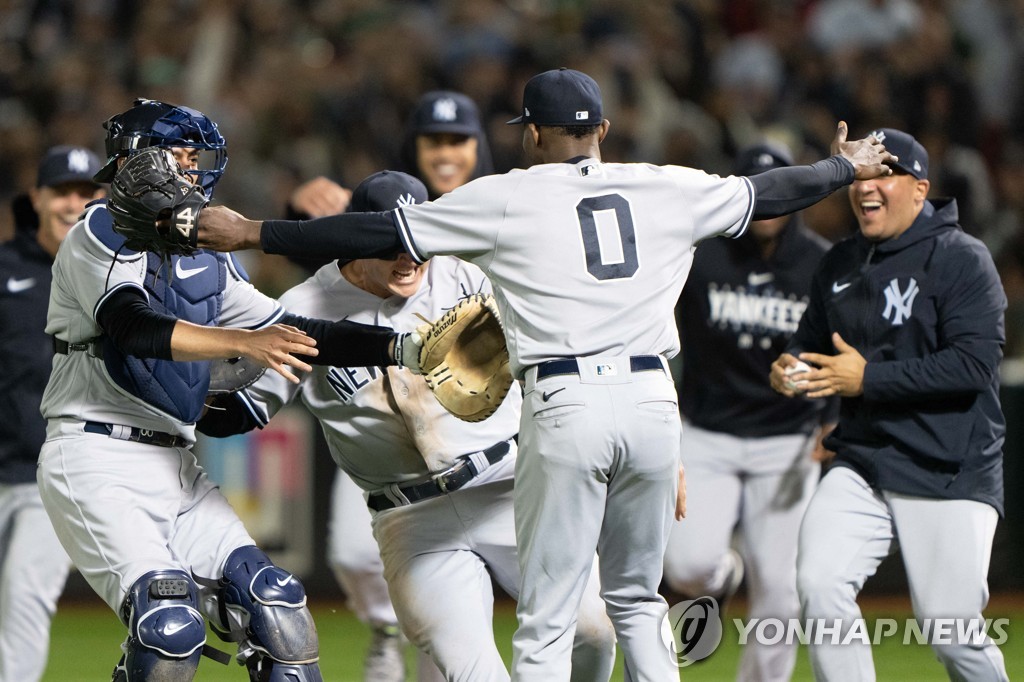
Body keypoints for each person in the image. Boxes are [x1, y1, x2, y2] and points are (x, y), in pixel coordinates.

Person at [195, 68, 894, 679]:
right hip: (631, 406)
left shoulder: (505, 201)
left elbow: (374, 234)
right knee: (634, 603)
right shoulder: (664, 186)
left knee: (560, 627)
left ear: (532, 134)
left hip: (554, 420)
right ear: (605, 130)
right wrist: (843, 168)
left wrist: (254, 232)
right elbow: (770, 191)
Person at [35, 99, 415, 682]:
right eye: (179, 155)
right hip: (95, 456)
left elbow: (297, 333)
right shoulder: (98, 230)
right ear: (139, 160)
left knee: (279, 608)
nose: (193, 168)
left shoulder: (206, 256)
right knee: (168, 630)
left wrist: (400, 349)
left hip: (176, 462)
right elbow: (132, 327)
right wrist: (241, 339)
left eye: (196, 156)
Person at [200, 169, 616, 682]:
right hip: (414, 522)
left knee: (595, 631)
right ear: (356, 238)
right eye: (390, 242)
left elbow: (561, 349)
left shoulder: (467, 276)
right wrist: (196, 380)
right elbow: (244, 410)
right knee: (473, 674)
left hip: (510, 490)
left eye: (417, 239)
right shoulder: (304, 309)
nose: (409, 256)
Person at [770, 128, 1009, 681]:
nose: (866, 187)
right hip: (864, 459)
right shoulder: (839, 263)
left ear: (920, 189)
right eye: (860, 175)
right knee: (820, 586)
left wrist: (869, 379)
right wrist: (789, 366)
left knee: (952, 635)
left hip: (948, 464)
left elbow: (974, 366)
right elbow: (808, 339)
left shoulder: (962, 259)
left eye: (884, 174)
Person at [285, 90, 495, 681]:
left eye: (458, 139)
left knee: (579, 626)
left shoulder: (492, 217)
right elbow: (321, 266)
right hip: (391, 469)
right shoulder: (376, 207)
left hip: (489, 465)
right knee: (357, 555)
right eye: (435, 140)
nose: (448, 151)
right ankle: (384, 629)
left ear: (479, 146)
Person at [662, 142, 837, 681]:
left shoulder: (819, 262)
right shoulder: (702, 255)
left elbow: (844, 345)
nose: (769, 209)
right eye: (758, 197)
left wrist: (831, 415)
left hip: (787, 441)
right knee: (687, 568)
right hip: (708, 432)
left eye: (777, 197)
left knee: (781, 591)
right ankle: (725, 571)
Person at [0, 145, 105, 682]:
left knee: (25, 596)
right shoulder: (5, 270)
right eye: (62, 191)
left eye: (86, 192)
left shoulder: (114, 275)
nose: (73, 202)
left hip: (52, 472)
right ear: (37, 198)